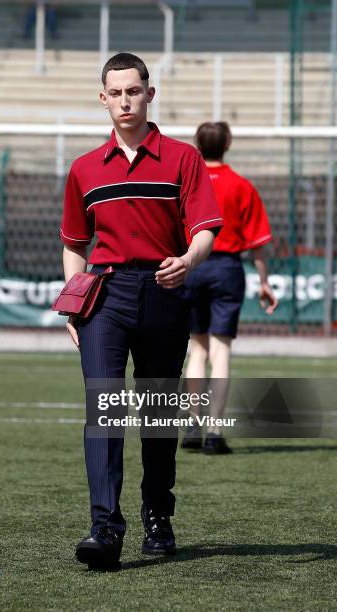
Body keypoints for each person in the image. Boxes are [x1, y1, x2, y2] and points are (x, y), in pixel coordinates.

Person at [60, 53, 223, 569]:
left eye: (135, 90)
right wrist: (74, 298)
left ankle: (158, 515)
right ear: (102, 98)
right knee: (103, 409)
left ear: (150, 93)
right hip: (104, 298)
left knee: (156, 411)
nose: (125, 100)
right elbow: (73, 244)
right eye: (116, 92)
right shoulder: (84, 168)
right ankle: (104, 528)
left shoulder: (183, 159)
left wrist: (190, 260)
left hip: (164, 290)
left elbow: (205, 231)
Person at [181, 121, 278, 454]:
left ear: (196, 143)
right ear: (228, 144)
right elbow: (258, 244)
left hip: (190, 266)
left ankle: (193, 425)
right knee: (220, 351)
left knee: (197, 350)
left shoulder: (186, 183)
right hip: (226, 269)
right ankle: (213, 432)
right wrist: (264, 282)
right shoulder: (241, 185)